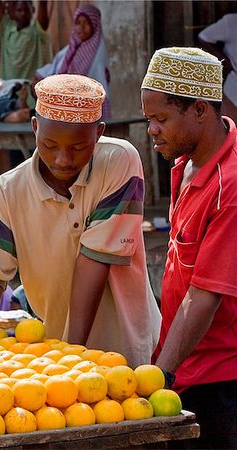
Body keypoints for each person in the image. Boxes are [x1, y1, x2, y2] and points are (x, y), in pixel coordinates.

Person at [0, 74, 161, 368]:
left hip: (123, 354)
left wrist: (69, 356)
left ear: (98, 133)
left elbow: (94, 263)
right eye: (49, 145)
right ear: (35, 127)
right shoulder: (8, 191)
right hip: (56, 357)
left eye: (78, 148)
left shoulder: (119, 161)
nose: (63, 159)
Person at [141, 47, 237, 449]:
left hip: (222, 376)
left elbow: (205, 295)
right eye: (149, 119)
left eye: (161, 119)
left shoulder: (230, 186)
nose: (152, 130)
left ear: (200, 110)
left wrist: (159, 376)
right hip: (187, 365)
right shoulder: (186, 164)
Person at [33, 4, 111, 118]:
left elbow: (100, 87)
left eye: (86, 23)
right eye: (78, 23)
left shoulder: (98, 54)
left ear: (95, 24)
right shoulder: (68, 51)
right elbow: (53, 70)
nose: (81, 27)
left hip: (85, 111)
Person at [0, 0, 52, 81]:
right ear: (14, 11)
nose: (23, 14)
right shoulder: (6, 29)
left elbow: (43, 3)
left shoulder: (37, 31)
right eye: (19, 10)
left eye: (27, 10)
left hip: (31, 87)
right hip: (9, 88)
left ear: (33, 10)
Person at [198, 14, 237, 123]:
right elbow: (204, 37)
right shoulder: (231, 22)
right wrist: (225, 61)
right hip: (233, 91)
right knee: (230, 131)